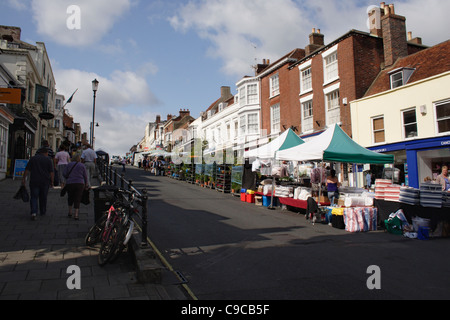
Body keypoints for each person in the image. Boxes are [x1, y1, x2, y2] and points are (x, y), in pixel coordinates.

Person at [22, 147, 54, 220]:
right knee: (43, 197)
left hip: (34, 180)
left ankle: (34, 212)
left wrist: (23, 179)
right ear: (46, 153)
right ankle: (42, 211)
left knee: (34, 196)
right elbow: (51, 172)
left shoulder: (33, 159)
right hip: (45, 181)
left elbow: (27, 169)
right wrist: (52, 181)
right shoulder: (48, 160)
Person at [64, 154, 88, 220]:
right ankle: (76, 214)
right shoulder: (82, 165)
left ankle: (70, 211)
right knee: (78, 198)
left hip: (70, 183)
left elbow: (64, 173)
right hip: (80, 183)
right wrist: (86, 184)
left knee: (70, 197)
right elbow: (85, 176)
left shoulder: (69, 165)